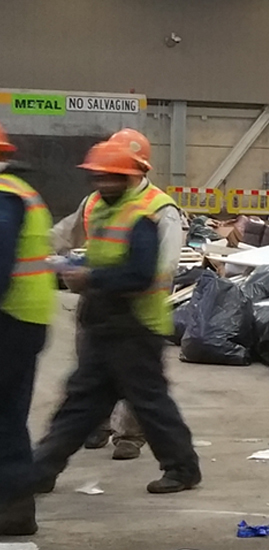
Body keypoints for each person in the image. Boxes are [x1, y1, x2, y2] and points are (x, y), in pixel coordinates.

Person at [32, 132, 202, 495]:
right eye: (99, 176)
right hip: (102, 320)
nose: (104, 182)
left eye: (112, 176)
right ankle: (42, 469)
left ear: (133, 174)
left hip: (136, 324)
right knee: (81, 402)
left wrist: (89, 275)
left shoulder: (151, 211)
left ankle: (182, 468)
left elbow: (147, 272)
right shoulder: (97, 203)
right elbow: (68, 236)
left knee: (148, 401)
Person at [0, 123, 57, 536]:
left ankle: (16, 506)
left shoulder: (5, 197)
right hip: (25, 317)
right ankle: (16, 506)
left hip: (10, 319)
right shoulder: (20, 192)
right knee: (8, 414)